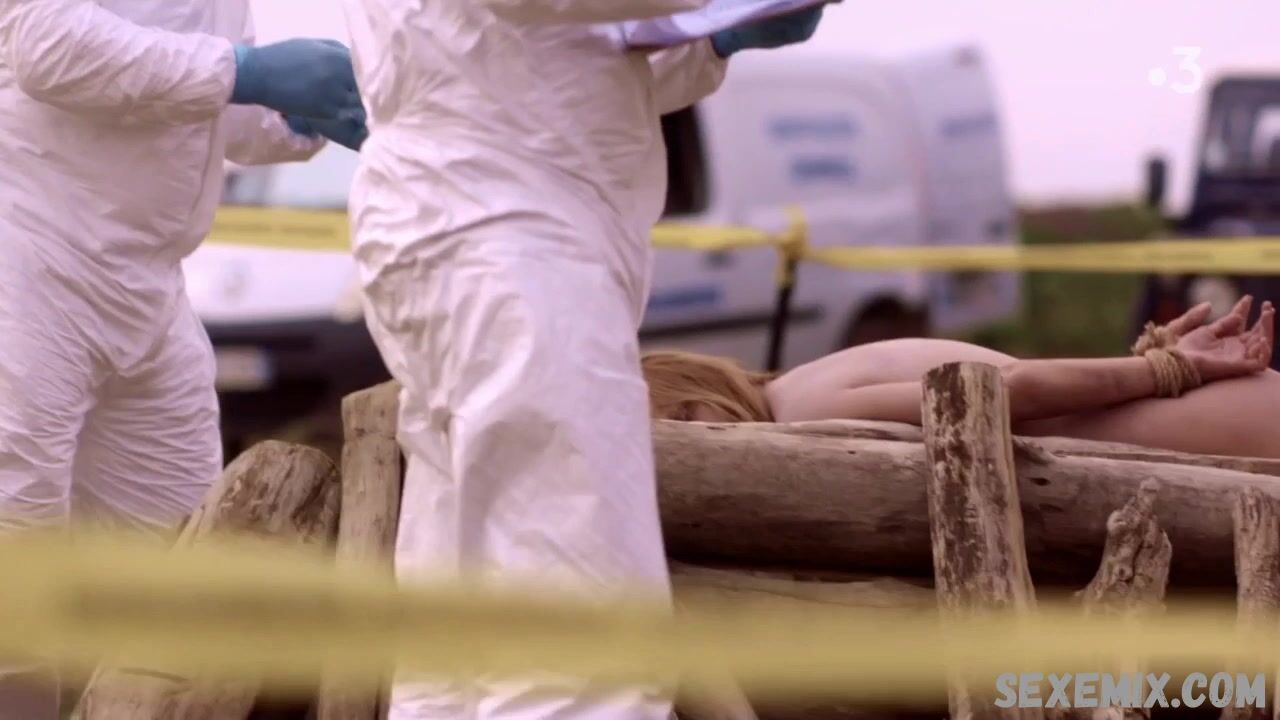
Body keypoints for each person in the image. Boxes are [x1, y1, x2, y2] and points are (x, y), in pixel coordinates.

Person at [337, 0, 828, 717]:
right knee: (584, 647)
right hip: (506, 239)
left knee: (463, 639)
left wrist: (710, 40)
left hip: (486, 229)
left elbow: (561, 67)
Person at [0, 2, 368, 717]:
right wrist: (247, 71)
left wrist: (298, 115)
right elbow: (44, 43)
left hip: (149, 287)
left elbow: (205, 104)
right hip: (29, 267)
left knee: (181, 568)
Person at [642, 296, 1280, 459]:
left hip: (1191, 433)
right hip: (1202, 422)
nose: (700, 442)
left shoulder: (805, 410)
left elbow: (1002, 394)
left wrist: (1169, 367)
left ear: (698, 384)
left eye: (686, 419)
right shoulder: (805, 384)